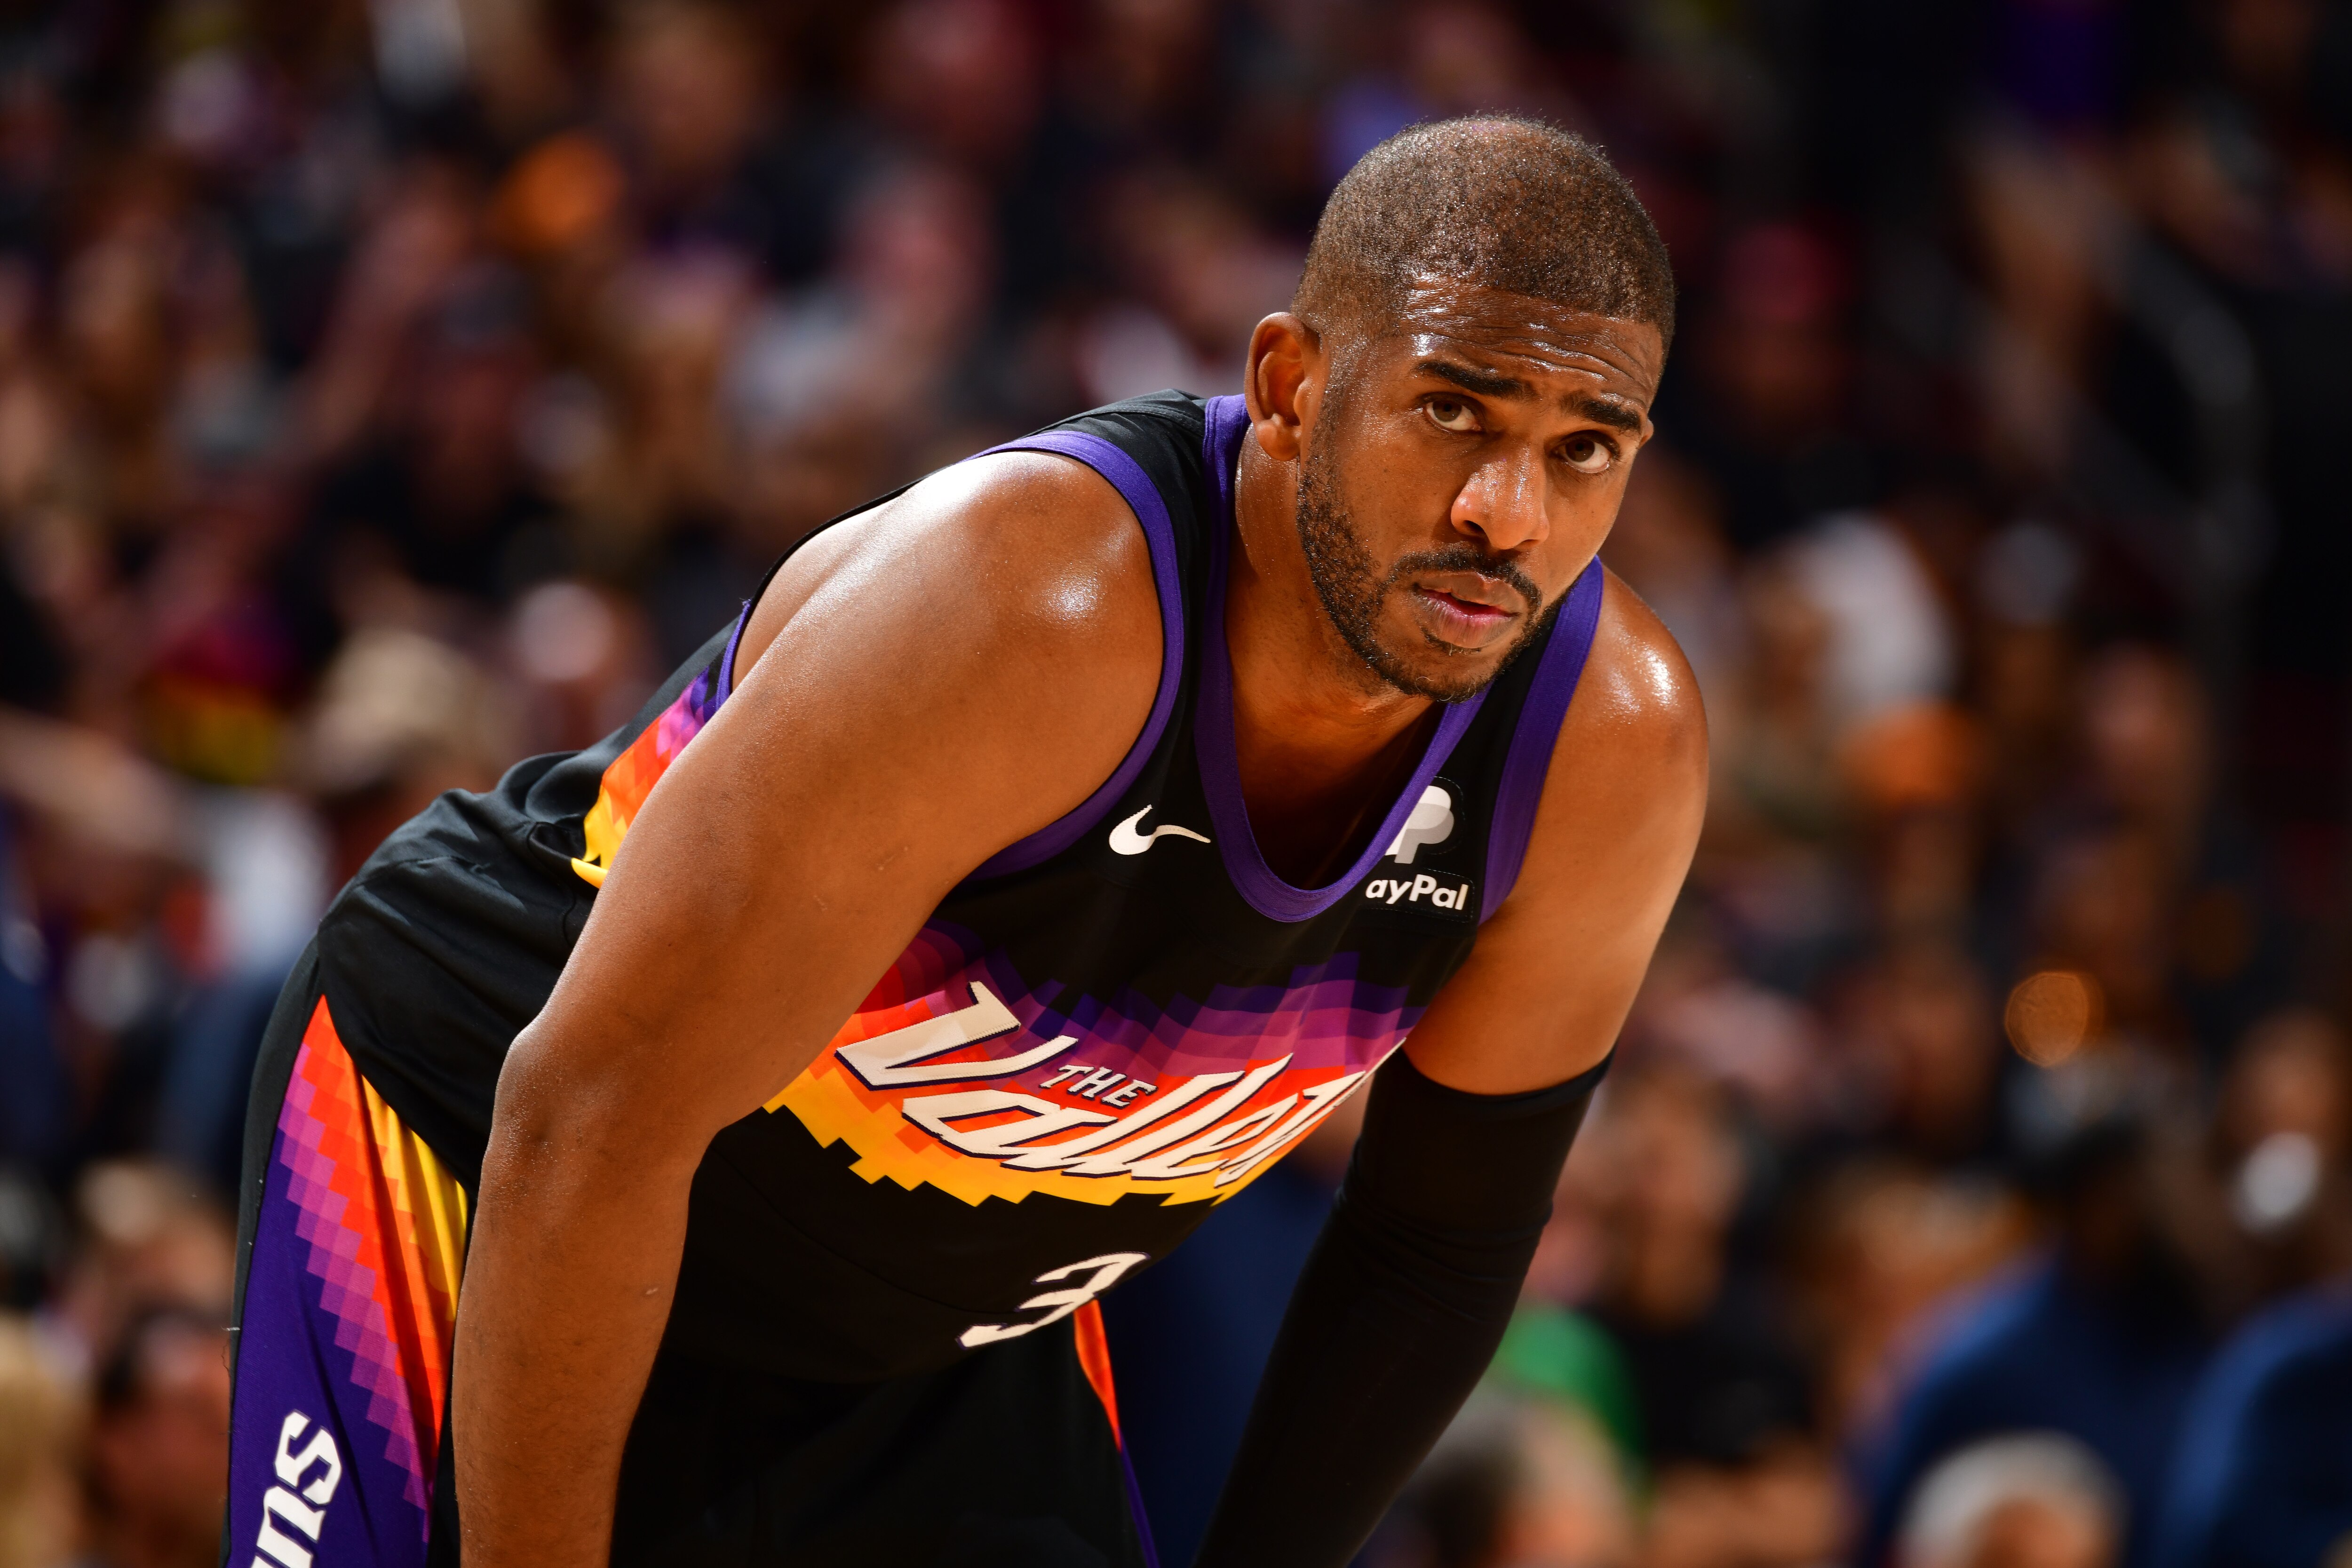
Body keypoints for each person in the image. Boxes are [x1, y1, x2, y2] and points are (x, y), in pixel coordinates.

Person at [221, 117, 1704, 1568]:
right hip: (497, 1156)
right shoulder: (1037, 605)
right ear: (1292, 387)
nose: (1507, 514)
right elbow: (591, 1114)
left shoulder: (1605, 747)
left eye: (1585, 448)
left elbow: (1432, 1250)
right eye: (1453, 413)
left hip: (921, 1340)